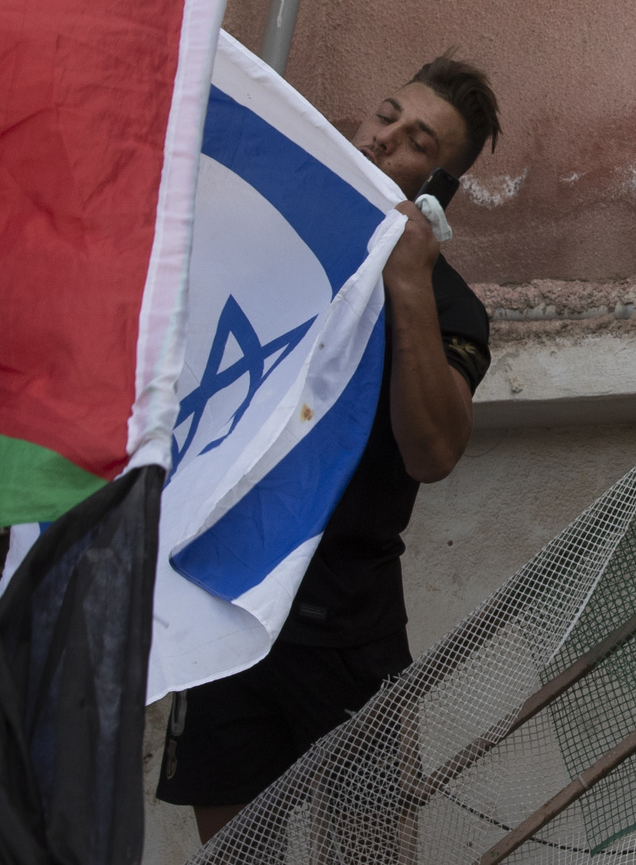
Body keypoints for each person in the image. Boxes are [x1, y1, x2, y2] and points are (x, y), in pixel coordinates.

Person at [156, 51, 501, 843]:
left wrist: (408, 281)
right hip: (231, 593)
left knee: (371, 847)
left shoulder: (449, 306)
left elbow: (433, 452)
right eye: (387, 116)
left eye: (419, 141)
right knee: (234, 852)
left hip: (345, 619)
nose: (386, 140)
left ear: (439, 187)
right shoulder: (273, 249)